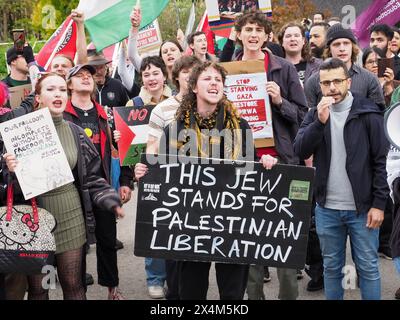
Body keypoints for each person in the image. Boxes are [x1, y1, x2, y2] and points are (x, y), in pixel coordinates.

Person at [135, 60, 277, 300]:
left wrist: (266, 166)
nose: (214, 83)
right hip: (188, 228)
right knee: (190, 292)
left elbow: (249, 176)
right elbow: (163, 176)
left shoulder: (240, 127)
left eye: (218, 80)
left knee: (232, 295)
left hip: (231, 227)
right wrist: (145, 172)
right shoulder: (176, 129)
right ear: (193, 88)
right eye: (207, 79)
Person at [3, 73, 124, 300]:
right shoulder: (19, 133)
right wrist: (10, 169)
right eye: (50, 89)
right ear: (37, 97)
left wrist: (110, 200)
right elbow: (9, 186)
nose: (58, 93)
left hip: (70, 218)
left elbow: (93, 177)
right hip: (34, 223)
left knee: (73, 285)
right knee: (40, 289)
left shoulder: (75, 132)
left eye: (62, 89)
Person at [294, 58, 389, 300]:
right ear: (320, 87)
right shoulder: (316, 113)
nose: (332, 87)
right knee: (331, 269)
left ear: (348, 81)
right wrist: (319, 122)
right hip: (327, 208)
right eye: (326, 83)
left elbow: (381, 162)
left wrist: (379, 204)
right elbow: (300, 150)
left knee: (367, 268)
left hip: (363, 208)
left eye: (337, 81)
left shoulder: (368, 112)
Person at [232, 11, 308, 300]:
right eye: (248, 29)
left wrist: (279, 101)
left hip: (282, 163)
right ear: (239, 33)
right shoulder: (227, 69)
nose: (253, 34)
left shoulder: (283, 69)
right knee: (250, 244)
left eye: (258, 30)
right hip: (244, 165)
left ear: (266, 36)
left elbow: (303, 116)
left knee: (285, 242)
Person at [63, 64, 132, 300]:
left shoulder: (108, 114)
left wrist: (125, 181)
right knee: (76, 246)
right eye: (78, 76)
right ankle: (77, 290)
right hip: (71, 191)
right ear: (69, 84)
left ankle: (112, 288)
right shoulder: (60, 114)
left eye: (89, 76)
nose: (85, 78)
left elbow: (121, 151)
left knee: (107, 240)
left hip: (101, 187)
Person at [305, 23, 385, 110]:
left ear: (352, 46)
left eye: (346, 43)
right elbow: (309, 118)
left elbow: (379, 115)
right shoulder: (313, 81)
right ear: (329, 49)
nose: (342, 48)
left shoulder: (369, 79)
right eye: (336, 44)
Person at [128, 6, 184, 92]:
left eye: (173, 50)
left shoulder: (191, 73)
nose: (169, 53)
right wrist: (135, 27)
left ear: (182, 53)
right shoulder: (153, 70)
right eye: (165, 52)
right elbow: (132, 55)